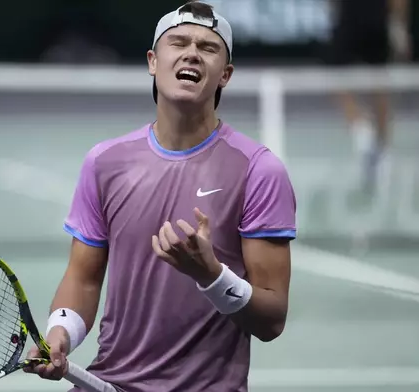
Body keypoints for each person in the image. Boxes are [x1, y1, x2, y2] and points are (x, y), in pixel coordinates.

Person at [24, 1, 297, 391]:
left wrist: (212, 276)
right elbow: (83, 279)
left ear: (226, 75)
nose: (191, 53)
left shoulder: (259, 170)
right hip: (110, 381)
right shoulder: (105, 162)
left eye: (208, 47)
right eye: (179, 43)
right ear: (153, 61)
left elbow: (272, 320)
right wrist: (59, 334)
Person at [327, 0, 412, 193]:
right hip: (371, 18)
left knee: (340, 81)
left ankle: (366, 138)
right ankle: (377, 149)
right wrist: (399, 27)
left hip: (359, 18)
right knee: (378, 88)